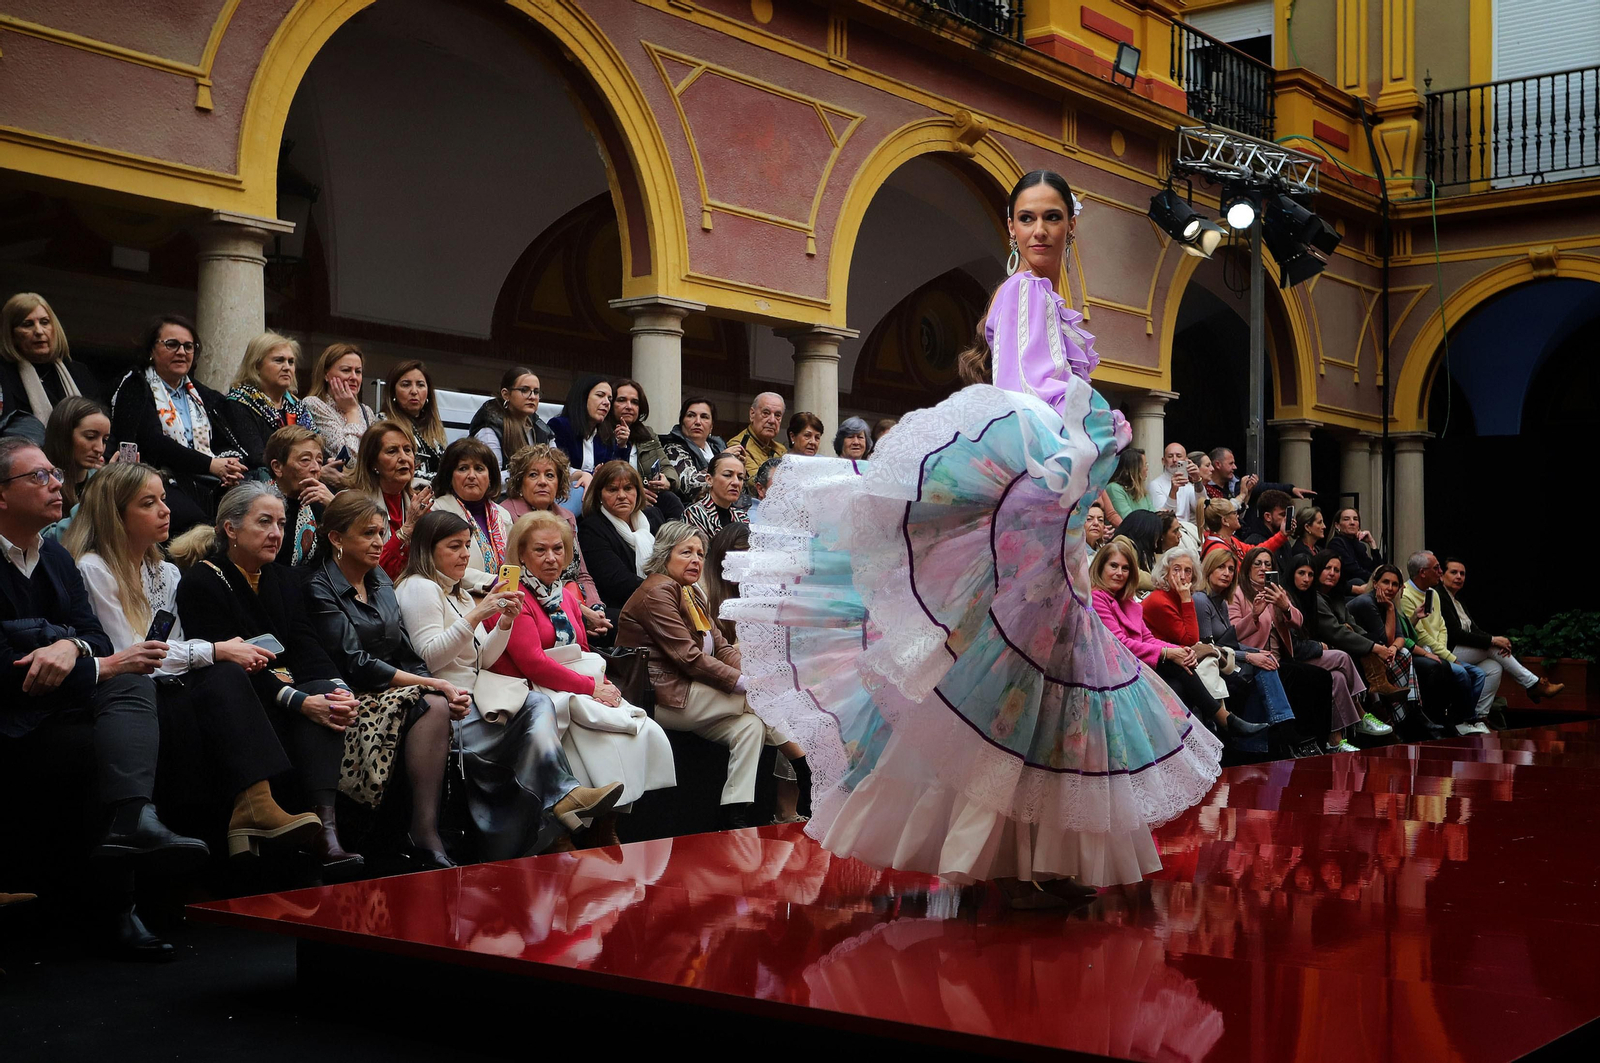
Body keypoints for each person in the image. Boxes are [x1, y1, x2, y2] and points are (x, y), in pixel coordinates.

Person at [723, 170, 1223, 901]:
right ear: (1012, 228)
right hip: (1034, 505)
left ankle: (1020, 850)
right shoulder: (1023, 295)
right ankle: (999, 850)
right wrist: (1086, 437)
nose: (1042, 230)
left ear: (1069, 226)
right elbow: (1018, 399)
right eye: (1028, 218)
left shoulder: (1050, 301)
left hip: (1053, 510)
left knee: (1030, 676)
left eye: (1053, 217)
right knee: (1016, 677)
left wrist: (1088, 444)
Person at [0, 437, 206, 958]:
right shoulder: (79, 561)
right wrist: (72, 647)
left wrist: (67, 645)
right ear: (2, 496)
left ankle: (134, 827)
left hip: (62, 705)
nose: (57, 483)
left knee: (132, 686)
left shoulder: (54, 557)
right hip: (12, 719)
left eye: (54, 472)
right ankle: (119, 902)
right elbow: (10, 667)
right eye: (39, 477)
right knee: (116, 717)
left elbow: (93, 637)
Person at [65, 463, 321, 858]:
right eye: (149, 503)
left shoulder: (166, 571)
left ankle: (255, 808)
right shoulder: (93, 568)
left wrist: (215, 655)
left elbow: (175, 645)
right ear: (116, 515)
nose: (166, 510)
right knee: (223, 672)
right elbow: (133, 655)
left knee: (227, 677)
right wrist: (217, 649)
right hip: (123, 693)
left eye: (164, 499)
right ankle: (249, 814)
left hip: (165, 684)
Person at [396, 510, 635, 856]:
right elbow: (430, 657)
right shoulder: (419, 587)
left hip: (479, 696)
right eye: (454, 546)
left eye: (467, 545)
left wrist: (503, 623)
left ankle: (566, 805)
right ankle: (563, 804)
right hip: (446, 707)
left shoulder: (459, 592)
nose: (465, 554)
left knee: (539, 703)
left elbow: (483, 659)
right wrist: (479, 614)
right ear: (427, 550)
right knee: (543, 706)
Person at [172, 483, 366, 875]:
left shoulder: (285, 579)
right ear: (230, 529)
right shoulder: (202, 581)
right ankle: (306, 831)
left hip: (280, 685)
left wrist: (338, 691)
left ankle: (325, 829)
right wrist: (300, 700)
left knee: (327, 699)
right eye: (264, 522)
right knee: (309, 705)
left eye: (280, 522)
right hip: (234, 695)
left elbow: (307, 647)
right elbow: (230, 667)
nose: (276, 532)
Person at [485, 511, 676, 845]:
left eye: (558, 549)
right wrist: (590, 688)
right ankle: (558, 834)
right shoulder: (512, 594)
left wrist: (600, 684)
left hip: (573, 683)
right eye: (540, 550)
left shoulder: (566, 595)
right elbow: (533, 664)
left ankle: (607, 825)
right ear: (521, 555)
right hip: (531, 691)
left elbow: (583, 651)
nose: (551, 558)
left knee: (636, 731)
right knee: (598, 737)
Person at [303, 491, 470, 868]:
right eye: (368, 534)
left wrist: (438, 684)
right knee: (434, 701)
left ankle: (424, 831)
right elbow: (354, 662)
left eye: (382, 532)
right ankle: (423, 834)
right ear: (336, 538)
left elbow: (408, 650)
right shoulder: (319, 587)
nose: (380, 542)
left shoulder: (378, 578)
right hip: (349, 691)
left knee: (442, 702)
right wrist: (431, 686)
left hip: (392, 687)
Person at [617, 521, 809, 828]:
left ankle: (736, 813)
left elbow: (721, 647)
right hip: (661, 697)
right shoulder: (657, 590)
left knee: (749, 726)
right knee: (756, 702)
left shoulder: (690, 592)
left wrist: (755, 673)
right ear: (666, 554)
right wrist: (747, 683)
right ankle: (803, 764)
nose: (696, 559)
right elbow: (688, 658)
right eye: (686, 552)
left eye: (700, 553)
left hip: (690, 693)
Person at [109, 313, 253, 534]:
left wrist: (229, 466)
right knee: (195, 522)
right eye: (172, 344)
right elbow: (153, 443)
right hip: (158, 480)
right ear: (151, 350)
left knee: (254, 507)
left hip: (209, 481)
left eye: (188, 346)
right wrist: (210, 465)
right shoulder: (135, 386)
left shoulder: (204, 395)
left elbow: (229, 440)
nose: (181, 352)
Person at [1137, 545, 1268, 739]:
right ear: (1165, 573)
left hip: (1176, 658)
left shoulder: (1187, 599)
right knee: (1198, 671)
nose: (1182, 576)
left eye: (1188, 571)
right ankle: (1222, 724)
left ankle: (1225, 729)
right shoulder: (1161, 601)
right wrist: (1186, 598)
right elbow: (1191, 640)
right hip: (1156, 661)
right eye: (1176, 570)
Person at [1231, 547, 1338, 754]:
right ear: (1248, 568)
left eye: (1268, 564)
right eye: (1258, 564)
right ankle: (1296, 740)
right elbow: (1233, 634)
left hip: (1282, 658)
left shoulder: (1278, 592)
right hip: (1256, 658)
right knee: (1301, 678)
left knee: (1323, 677)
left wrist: (1285, 606)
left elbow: (1298, 622)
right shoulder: (1238, 593)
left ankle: (1320, 740)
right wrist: (1253, 615)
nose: (1263, 568)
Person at [1192, 549, 1298, 754]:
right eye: (1221, 567)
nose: (1227, 573)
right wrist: (1250, 655)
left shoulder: (1221, 600)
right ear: (1208, 569)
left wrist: (1256, 647)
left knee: (1266, 661)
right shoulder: (1200, 599)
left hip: (1225, 659)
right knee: (1262, 666)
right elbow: (1208, 648)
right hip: (1210, 665)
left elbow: (1229, 640)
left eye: (1231, 569)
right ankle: (1282, 725)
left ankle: (1255, 744)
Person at [1440, 557, 1564, 703]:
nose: (1459, 577)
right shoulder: (1440, 597)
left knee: (1494, 667)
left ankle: (1480, 716)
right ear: (1442, 576)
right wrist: (1493, 641)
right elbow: (1455, 634)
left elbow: (1474, 630)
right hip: (1446, 651)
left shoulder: (1458, 600)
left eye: (1462, 573)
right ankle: (1534, 684)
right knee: (1492, 648)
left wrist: (1496, 639)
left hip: (1462, 651)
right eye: (1453, 572)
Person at [502, 443, 605, 617]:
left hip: (575, 604)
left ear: (559, 483)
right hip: (529, 608)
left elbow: (582, 574)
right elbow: (515, 577)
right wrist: (580, 611)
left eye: (550, 475)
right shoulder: (506, 514)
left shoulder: (567, 517)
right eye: (533, 475)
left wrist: (596, 607)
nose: (542, 481)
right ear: (520, 482)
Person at [1281, 552, 1367, 752]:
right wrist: (1319, 646)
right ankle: (1361, 714)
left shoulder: (1308, 597)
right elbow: (1293, 646)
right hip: (1291, 658)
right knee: (1343, 657)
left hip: (1305, 653)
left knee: (1336, 677)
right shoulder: (1285, 598)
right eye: (1301, 573)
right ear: (1292, 574)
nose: (1307, 579)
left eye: (1310, 574)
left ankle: (1334, 740)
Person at [1399, 551, 1492, 733]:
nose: (1440, 572)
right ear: (1422, 572)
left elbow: (1441, 625)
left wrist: (1443, 651)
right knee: (1462, 673)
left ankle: (1462, 718)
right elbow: (1420, 635)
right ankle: (1466, 719)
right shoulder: (1406, 595)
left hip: (1439, 650)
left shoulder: (1433, 593)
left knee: (1479, 674)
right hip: (1422, 651)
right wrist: (1448, 656)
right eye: (1436, 568)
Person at [1349, 564, 1446, 735]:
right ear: (1375, 583)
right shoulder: (1367, 602)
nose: (1390, 588)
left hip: (1378, 651)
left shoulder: (1390, 603)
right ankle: (1407, 718)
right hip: (1358, 653)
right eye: (1385, 582)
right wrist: (1390, 609)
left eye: (1395, 584)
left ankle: (1411, 714)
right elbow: (1385, 639)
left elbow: (1399, 638)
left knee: (1402, 653)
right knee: (1404, 654)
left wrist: (1394, 647)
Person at [1310, 553, 1398, 738]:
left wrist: (1374, 644)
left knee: (1369, 650)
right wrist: (1373, 647)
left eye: (1337, 570)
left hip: (1339, 647)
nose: (1332, 573)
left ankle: (1377, 712)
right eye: (1328, 568)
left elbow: (1353, 625)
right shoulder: (1314, 598)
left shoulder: (1336, 596)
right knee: (1357, 653)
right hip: (1321, 648)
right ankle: (1367, 711)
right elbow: (1336, 632)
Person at [577, 460, 662, 621]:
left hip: (660, 600)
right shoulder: (591, 529)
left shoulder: (654, 517)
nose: (622, 495)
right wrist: (665, 594)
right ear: (599, 494)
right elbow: (617, 582)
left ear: (638, 491)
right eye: (613, 489)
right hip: (621, 609)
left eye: (628, 488)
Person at [346, 419, 431, 578]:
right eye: (392, 451)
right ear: (373, 463)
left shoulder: (421, 503)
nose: (404, 458)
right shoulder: (354, 505)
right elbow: (371, 572)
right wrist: (407, 529)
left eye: (408, 450)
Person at [429, 437, 512, 594]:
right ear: (449, 476)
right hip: (456, 598)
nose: (472, 475)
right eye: (463, 468)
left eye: (479, 469)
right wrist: (492, 582)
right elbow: (439, 565)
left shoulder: (503, 515)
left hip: (504, 598)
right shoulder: (437, 511)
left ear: (490, 477)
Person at [1, 292, 99, 424]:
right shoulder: (4, 375)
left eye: (45, 322)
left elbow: (103, 427)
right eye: (28, 324)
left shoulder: (79, 373)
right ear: (11, 335)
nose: (39, 331)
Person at [226, 332, 312, 463]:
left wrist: (328, 465)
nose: (287, 367)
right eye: (279, 360)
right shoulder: (239, 403)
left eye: (291, 362)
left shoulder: (297, 406)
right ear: (256, 365)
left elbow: (317, 447)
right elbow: (256, 458)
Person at [609, 378, 681, 518]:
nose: (629, 406)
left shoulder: (648, 433)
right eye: (622, 400)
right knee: (653, 515)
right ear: (611, 404)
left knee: (671, 501)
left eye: (634, 402)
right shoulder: (601, 432)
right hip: (619, 499)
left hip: (650, 497)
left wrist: (667, 481)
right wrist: (636, 494)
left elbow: (668, 467)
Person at [41, 396, 110, 539]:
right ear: (64, 435)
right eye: (90, 437)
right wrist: (99, 495)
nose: (99, 448)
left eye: (104, 440)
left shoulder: (100, 479)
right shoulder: (40, 480)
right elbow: (42, 540)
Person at [263, 425, 333, 566]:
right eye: (305, 460)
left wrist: (335, 506)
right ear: (277, 467)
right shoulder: (258, 504)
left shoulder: (323, 502)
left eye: (319, 461)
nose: (315, 468)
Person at [300, 343, 377, 464]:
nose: (353, 377)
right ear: (326, 374)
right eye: (346, 370)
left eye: (358, 371)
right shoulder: (314, 404)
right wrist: (351, 412)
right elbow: (350, 460)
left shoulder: (366, 411)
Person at [468, 366, 551, 474]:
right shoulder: (490, 428)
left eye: (536, 392)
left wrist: (579, 475)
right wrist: (527, 475)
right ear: (506, 394)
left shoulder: (541, 428)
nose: (532, 397)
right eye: (524, 390)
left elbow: (558, 468)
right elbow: (490, 477)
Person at [551, 375, 625, 491]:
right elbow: (557, 468)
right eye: (600, 395)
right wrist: (590, 474)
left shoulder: (606, 435)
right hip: (566, 491)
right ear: (582, 398)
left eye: (609, 399)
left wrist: (622, 445)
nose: (606, 403)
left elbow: (617, 472)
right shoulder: (559, 426)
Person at [381, 360, 447, 480]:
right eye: (406, 385)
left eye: (420, 385)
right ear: (393, 392)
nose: (414, 391)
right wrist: (445, 481)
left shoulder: (434, 428)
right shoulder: (384, 424)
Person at [661, 396, 727, 504]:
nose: (697, 422)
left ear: (711, 426)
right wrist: (723, 462)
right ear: (682, 422)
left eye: (704, 417)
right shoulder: (673, 448)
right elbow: (689, 484)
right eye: (691, 415)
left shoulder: (719, 448)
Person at [703, 521, 750, 646]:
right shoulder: (700, 588)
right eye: (738, 562)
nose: (743, 571)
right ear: (722, 555)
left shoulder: (746, 588)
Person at [684, 452, 750, 539]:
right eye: (727, 475)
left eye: (740, 477)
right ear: (709, 479)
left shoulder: (742, 516)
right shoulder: (695, 514)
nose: (736, 482)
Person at [727, 392, 787, 481]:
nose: (772, 420)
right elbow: (757, 483)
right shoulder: (739, 445)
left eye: (777, 415)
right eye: (766, 413)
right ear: (752, 414)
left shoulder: (781, 449)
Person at [1325, 507, 1383, 596]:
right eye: (1346, 519)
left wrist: (1372, 544)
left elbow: (1376, 569)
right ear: (1337, 525)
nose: (1352, 523)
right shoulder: (1336, 543)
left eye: (1355, 519)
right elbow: (1354, 570)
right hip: (1345, 593)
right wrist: (1378, 581)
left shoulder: (1359, 546)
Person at [1144, 442, 1198, 525]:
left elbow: (1202, 508)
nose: (1175, 460)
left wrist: (1198, 480)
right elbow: (1164, 518)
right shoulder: (1155, 485)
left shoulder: (1188, 485)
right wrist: (1173, 492)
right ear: (1163, 461)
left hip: (1186, 529)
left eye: (1179, 456)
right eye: (1170, 456)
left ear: (1186, 460)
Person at [1104, 447, 1152, 518]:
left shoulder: (1142, 491)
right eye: (1145, 465)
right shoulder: (1114, 488)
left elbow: (1154, 514)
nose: (1147, 468)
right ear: (1135, 469)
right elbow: (1128, 518)